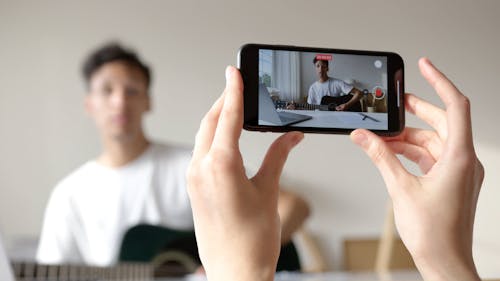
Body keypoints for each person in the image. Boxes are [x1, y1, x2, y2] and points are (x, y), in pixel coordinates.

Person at [186, 58, 484, 281]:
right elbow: (313, 111)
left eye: (323, 67)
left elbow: (355, 93)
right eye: (318, 67)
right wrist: (450, 265)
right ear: (316, 70)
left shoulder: (337, 83)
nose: (321, 71)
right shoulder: (315, 88)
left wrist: (235, 271)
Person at [36, 42, 310, 267]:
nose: (119, 101)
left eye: (131, 90)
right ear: (89, 104)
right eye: (107, 90)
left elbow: (294, 206)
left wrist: (230, 264)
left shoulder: (191, 165)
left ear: (148, 101)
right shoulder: (69, 194)